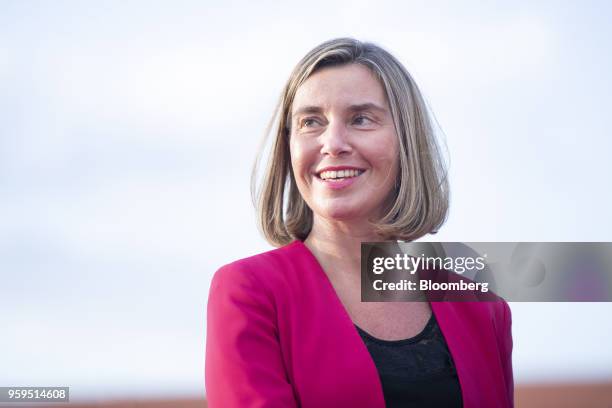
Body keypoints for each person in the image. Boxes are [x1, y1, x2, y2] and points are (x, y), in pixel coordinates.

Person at [205, 38, 513, 408]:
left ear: (406, 142)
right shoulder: (251, 292)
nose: (332, 143)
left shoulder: (483, 308)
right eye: (310, 122)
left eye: (361, 119)